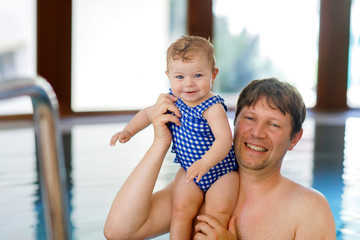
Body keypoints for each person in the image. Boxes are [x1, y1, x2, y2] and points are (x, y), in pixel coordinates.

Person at [104, 78, 336, 240]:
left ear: (294, 139)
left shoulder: (309, 209)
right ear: (232, 123)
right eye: (250, 118)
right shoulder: (200, 185)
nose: (257, 132)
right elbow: (118, 231)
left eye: (273, 124)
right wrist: (160, 143)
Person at [109, 36, 239, 239]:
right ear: (168, 76)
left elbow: (225, 139)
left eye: (198, 75)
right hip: (190, 171)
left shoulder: (212, 107)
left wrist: (206, 162)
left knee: (216, 215)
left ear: (213, 74)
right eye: (180, 77)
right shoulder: (172, 100)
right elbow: (146, 114)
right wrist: (128, 131)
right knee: (180, 211)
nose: (189, 84)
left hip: (221, 172)